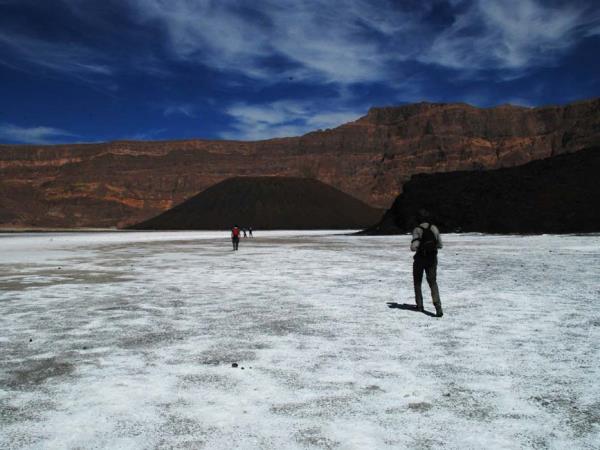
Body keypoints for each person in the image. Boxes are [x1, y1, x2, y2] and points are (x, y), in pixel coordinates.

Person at [411, 209, 443, 317]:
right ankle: (438, 307)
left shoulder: (417, 230)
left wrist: (418, 246)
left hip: (420, 259)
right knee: (433, 282)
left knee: (417, 282)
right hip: (432, 259)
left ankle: (420, 306)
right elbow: (440, 245)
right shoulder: (434, 228)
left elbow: (413, 247)